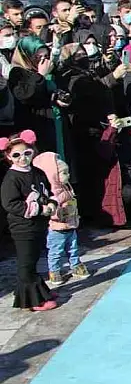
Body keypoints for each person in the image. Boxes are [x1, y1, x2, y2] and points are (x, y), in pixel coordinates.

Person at [1, 130, 58, 311]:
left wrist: (51, 203)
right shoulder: (11, 178)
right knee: (26, 263)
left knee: (33, 259)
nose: (22, 158)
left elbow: (48, 191)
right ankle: (33, 301)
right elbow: (10, 204)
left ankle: (38, 292)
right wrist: (39, 209)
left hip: (38, 225)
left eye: (27, 153)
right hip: (22, 227)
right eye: (16, 155)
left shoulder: (37, 172)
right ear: (9, 156)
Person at [32, 151, 91, 285]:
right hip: (57, 229)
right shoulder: (52, 193)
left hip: (71, 226)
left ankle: (76, 265)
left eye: (67, 172)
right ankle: (54, 271)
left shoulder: (67, 188)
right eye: (64, 173)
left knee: (73, 248)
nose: (68, 175)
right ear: (53, 175)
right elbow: (50, 211)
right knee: (55, 251)